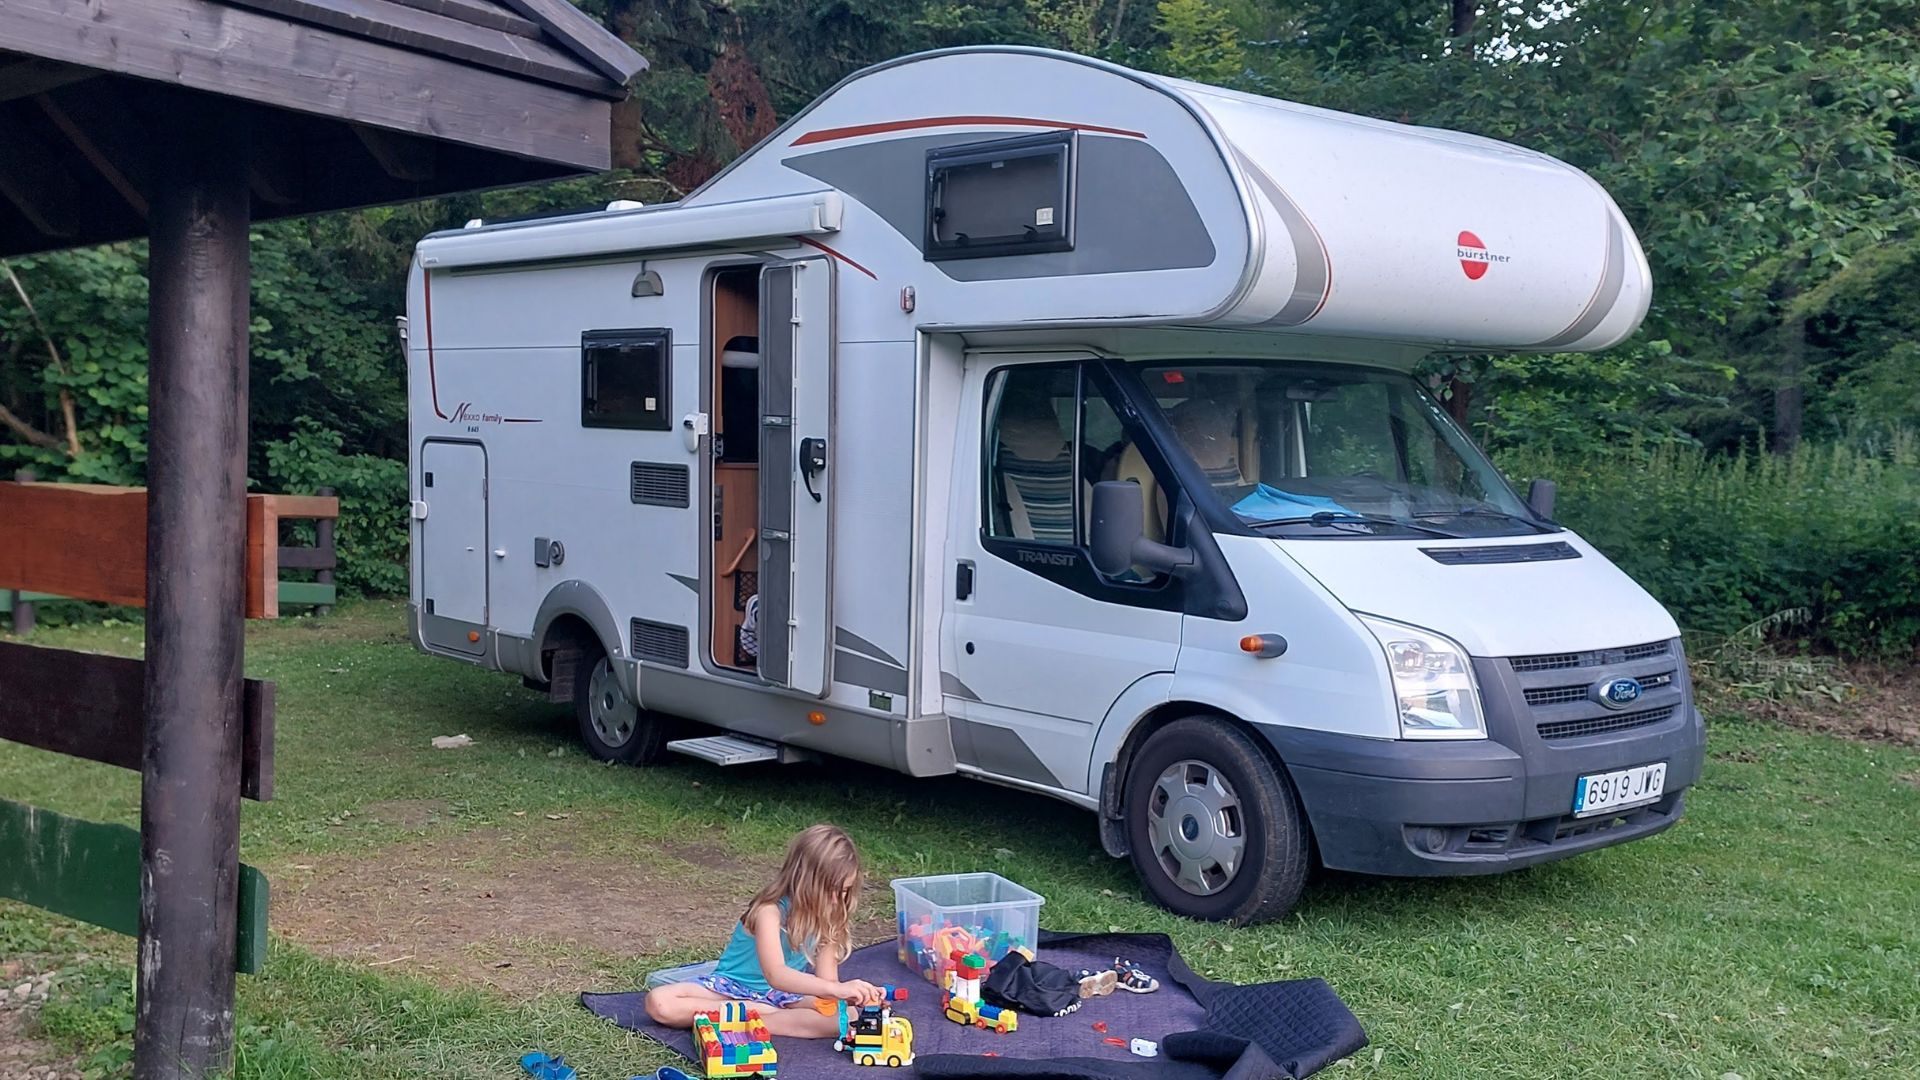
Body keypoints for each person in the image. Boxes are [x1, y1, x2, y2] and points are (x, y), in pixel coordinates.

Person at [644, 824, 885, 1037]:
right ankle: (754, 1015)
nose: (836, 899)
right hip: (731, 990)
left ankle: (745, 1021)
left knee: (849, 1015)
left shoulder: (831, 916)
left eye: (844, 890)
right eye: (830, 889)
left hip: (782, 997)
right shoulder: (769, 911)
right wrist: (836, 990)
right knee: (660, 1003)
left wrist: (854, 995)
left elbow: (826, 982)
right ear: (804, 880)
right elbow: (776, 974)